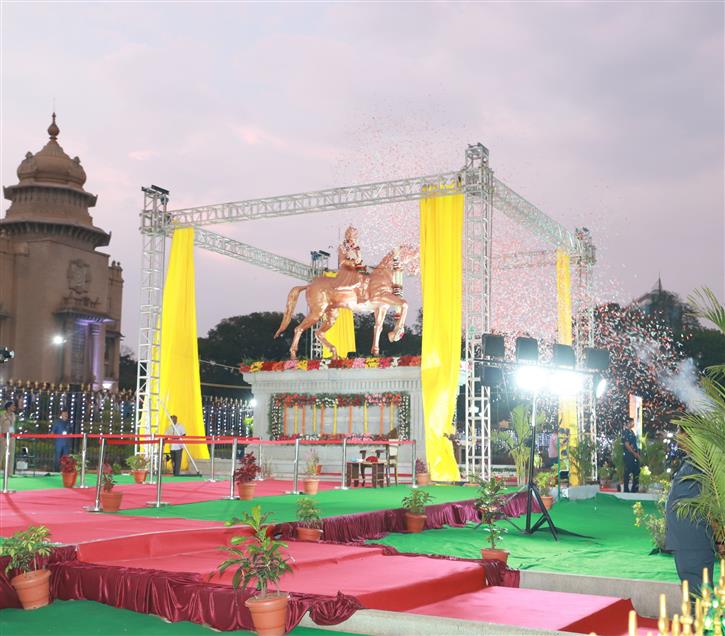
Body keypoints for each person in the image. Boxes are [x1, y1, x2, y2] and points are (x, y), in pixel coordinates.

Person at [665, 458, 717, 597]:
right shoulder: (694, 461)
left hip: (693, 541)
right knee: (697, 594)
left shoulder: (702, 461)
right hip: (688, 541)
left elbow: (712, 502)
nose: (677, 436)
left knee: (700, 597)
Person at [336, 225, 368, 303]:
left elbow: (359, 259)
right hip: (347, 268)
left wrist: (358, 261)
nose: (351, 237)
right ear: (346, 235)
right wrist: (352, 262)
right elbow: (341, 261)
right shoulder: (342, 247)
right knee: (358, 278)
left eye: (353, 235)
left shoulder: (357, 248)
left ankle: (363, 295)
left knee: (367, 278)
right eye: (350, 235)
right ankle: (358, 296)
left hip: (357, 267)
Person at [622, 416, 641, 493]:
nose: (633, 424)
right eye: (632, 422)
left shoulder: (632, 432)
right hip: (629, 455)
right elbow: (627, 445)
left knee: (636, 471)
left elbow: (633, 444)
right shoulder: (625, 432)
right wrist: (634, 453)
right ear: (629, 423)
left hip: (634, 455)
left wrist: (637, 453)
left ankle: (634, 489)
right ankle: (626, 490)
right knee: (627, 472)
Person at [0, 400, 17, 472]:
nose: (14, 407)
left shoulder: (14, 415)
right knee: (1, 454)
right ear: (8, 407)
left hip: (12, 436)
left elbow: (13, 425)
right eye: (13, 406)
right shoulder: (2, 414)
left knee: (11, 454)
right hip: (3, 436)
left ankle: (10, 472)